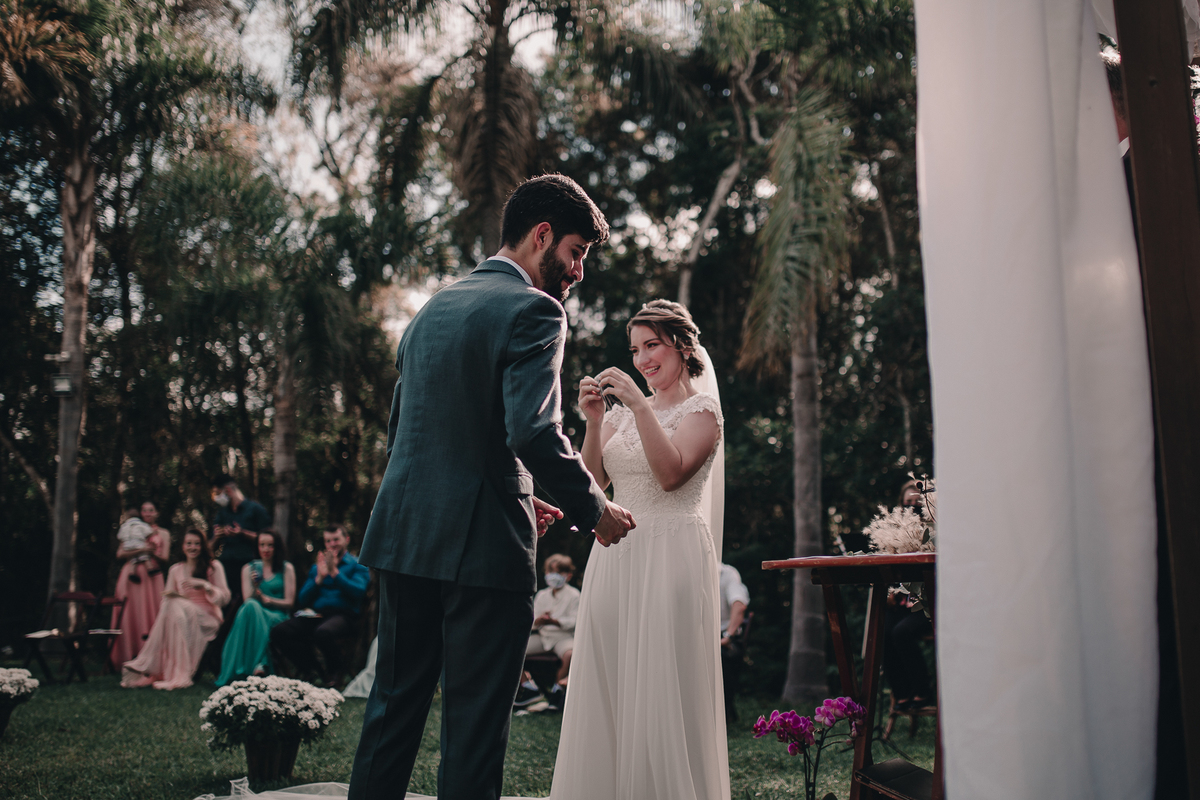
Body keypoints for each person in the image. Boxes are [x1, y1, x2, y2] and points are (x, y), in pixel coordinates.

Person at [347, 174, 636, 800]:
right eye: (577, 251)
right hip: (482, 550)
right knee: (475, 724)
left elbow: (411, 433)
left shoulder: (431, 310)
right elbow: (533, 430)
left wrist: (519, 490)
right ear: (542, 236)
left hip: (404, 535)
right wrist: (595, 511)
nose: (579, 270)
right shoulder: (536, 309)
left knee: (392, 710)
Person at [554, 299, 729, 799]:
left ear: (681, 345)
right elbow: (592, 484)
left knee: (661, 683)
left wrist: (636, 404)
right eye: (635, 349)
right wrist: (591, 421)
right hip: (615, 553)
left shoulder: (703, 411)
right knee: (611, 673)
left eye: (652, 345)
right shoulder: (622, 415)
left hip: (671, 553)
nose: (643, 359)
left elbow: (671, 475)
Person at [121, 528, 229, 690]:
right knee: (171, 604)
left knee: (173, 606)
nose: (192, 547)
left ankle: (149, 662)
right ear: (183, 546)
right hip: (181, 616)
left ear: (203, 546)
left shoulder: (213, 566)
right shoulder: (175, 569)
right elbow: (167, 598)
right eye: (189, 543)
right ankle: (165, 669)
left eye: (197, 544)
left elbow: (225, 598)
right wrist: (179, 600)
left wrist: (205, 586)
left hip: (207, 618)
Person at [270, 525, 369, 687]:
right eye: (328, 541)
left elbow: (358, 592)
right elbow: (302, 598)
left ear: (346, 539)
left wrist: (335, 573)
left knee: (323, 633)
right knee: (279, 632)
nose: (332, 544)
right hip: (316, 615)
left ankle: (335, 672)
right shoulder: (317, 567)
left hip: (344, 616)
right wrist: (319, 578)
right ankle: (313, 668)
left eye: (336, 539)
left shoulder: (357, 564)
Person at [216, 529, 296, 686]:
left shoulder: (286, 568)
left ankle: (252, 665)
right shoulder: (248, 569)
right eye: (262, 545)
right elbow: (248, 599)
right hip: (253, 614)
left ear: (277, 547)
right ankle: (259, 664)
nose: (265, 549)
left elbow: (289, 602)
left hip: (277, 615)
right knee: (251, 606)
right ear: (257, 547)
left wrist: (268, 600)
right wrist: (255, 587)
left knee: (252, 609)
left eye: (270, 545)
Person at [883, 480, 935, 711]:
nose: (912, 507)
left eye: (917, 502)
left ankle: (924, 691)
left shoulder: (938, 532)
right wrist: (890, 591)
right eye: (907, 503)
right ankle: (902, 693)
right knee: (882, 631)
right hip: (904, 603)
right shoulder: (895, 534)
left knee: (901, 632)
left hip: (931, 604)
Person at [110, 501, 170, 669]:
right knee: (131, 613)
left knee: (154, 612)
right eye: (144, 510)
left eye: (151, 510)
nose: (148, 513)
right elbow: (121, 553)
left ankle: (154, 658)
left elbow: (164, 557)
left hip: (152, 578)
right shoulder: (131, 529)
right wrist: (143, 550)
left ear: (157, 513)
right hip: (131, 577)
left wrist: (151, 553)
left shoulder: (163, 533)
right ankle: (127, 656)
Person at [516, 553, 580, 711]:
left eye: (558, 573)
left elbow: (575, 622)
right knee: (514, 649)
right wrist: (539, 621)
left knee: (569, 654)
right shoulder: (542, 595)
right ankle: (529, 687)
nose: (553, 576)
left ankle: (556, 691)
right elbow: (531, 620)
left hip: (562, 637)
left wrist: (555, 621)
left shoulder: (574, 595)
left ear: (568, 575)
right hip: (543, 636)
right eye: (550, 572)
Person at [209, 473, 271, 615]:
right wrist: (218, 536)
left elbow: (268, 539)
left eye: (218, 493)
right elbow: (211, 546)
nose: (216, 497)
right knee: (226, 605)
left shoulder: (256, 510)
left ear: (228, 490)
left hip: (250, 565)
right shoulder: (222, 513)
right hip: (226, 566)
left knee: (248, 603)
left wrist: (242, 533)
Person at [719, 562, 750, 723]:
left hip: (723, 637)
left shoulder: (727, 574)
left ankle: (724, 713)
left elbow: (739, 605)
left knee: (723, 658)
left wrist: (727, 636)